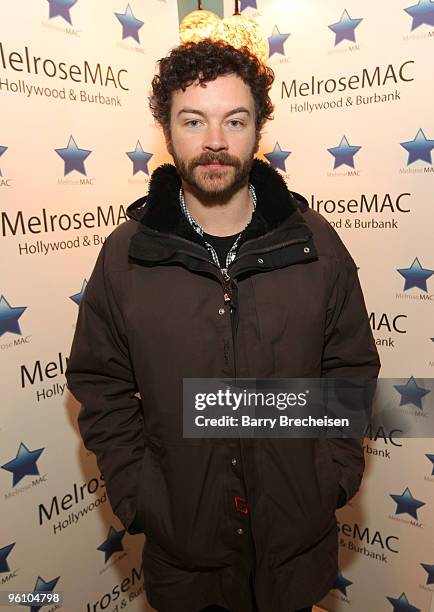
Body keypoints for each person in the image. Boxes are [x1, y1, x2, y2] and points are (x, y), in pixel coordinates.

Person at [66, 40, 380, 612]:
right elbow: (100, 385)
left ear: (259, 128)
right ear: (167, 129)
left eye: (235, 120)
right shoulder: (126, 257)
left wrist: (329, 475)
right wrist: (141, 496)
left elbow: (351, 366)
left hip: (295, 555)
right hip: (185, 561)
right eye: (194, 120)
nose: (214, 141)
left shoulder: (315, 244)